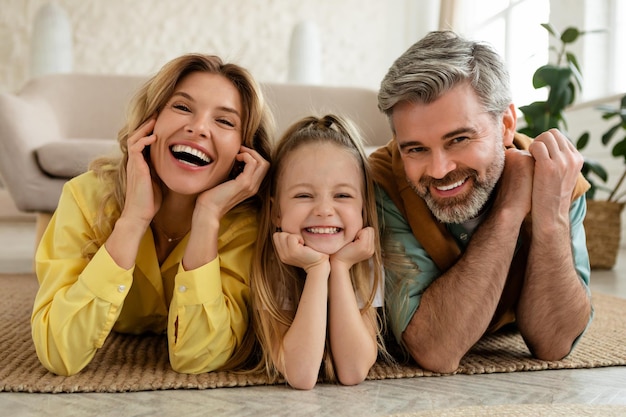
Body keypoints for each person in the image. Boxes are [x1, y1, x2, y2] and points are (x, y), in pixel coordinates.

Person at [31, 54, 273, 376]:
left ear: (244, 152)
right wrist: (133, 220)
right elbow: (58, 351)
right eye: (183, 107)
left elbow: (198, 358)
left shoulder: (245, 226)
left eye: (225, 121)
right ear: (150, 122)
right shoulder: (84, 197)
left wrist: (208, 218)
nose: (198, 128)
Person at [368, 31, 593, 373]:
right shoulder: (381, 183)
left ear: (505, 125)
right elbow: (435, 349)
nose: (439, 169)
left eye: (459, 139)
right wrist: (508, 211)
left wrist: (550, 218)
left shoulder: (556, 173)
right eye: (415, 148)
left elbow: (554, 343)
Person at [251, 114, 387, 390]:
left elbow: (353, 370)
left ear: (363, 209)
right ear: (276, 211)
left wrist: (339, 268)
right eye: (303, 196)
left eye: (342, 196)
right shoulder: (271, 265)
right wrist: (316, 271)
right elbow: (301, 375)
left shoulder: (361, 260)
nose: (324, 210)